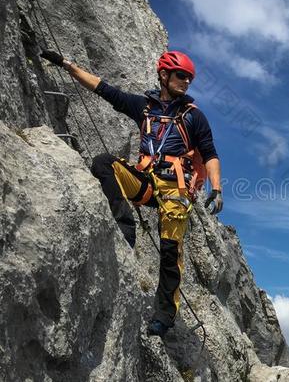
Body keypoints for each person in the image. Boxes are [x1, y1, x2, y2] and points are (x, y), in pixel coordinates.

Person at [40, 49, 223, 337]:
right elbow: (104, 89)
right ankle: (126, 230)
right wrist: (67, 65)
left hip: (175, 191)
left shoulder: (194, 117)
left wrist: (217, 187)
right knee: (104, 163)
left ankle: (164, 315)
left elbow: (210, 154)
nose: (186, 82)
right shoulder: (144, 108)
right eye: (181, 76)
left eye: (189, 78)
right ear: (163, 75)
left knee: (169, 252)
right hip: (147, 182)